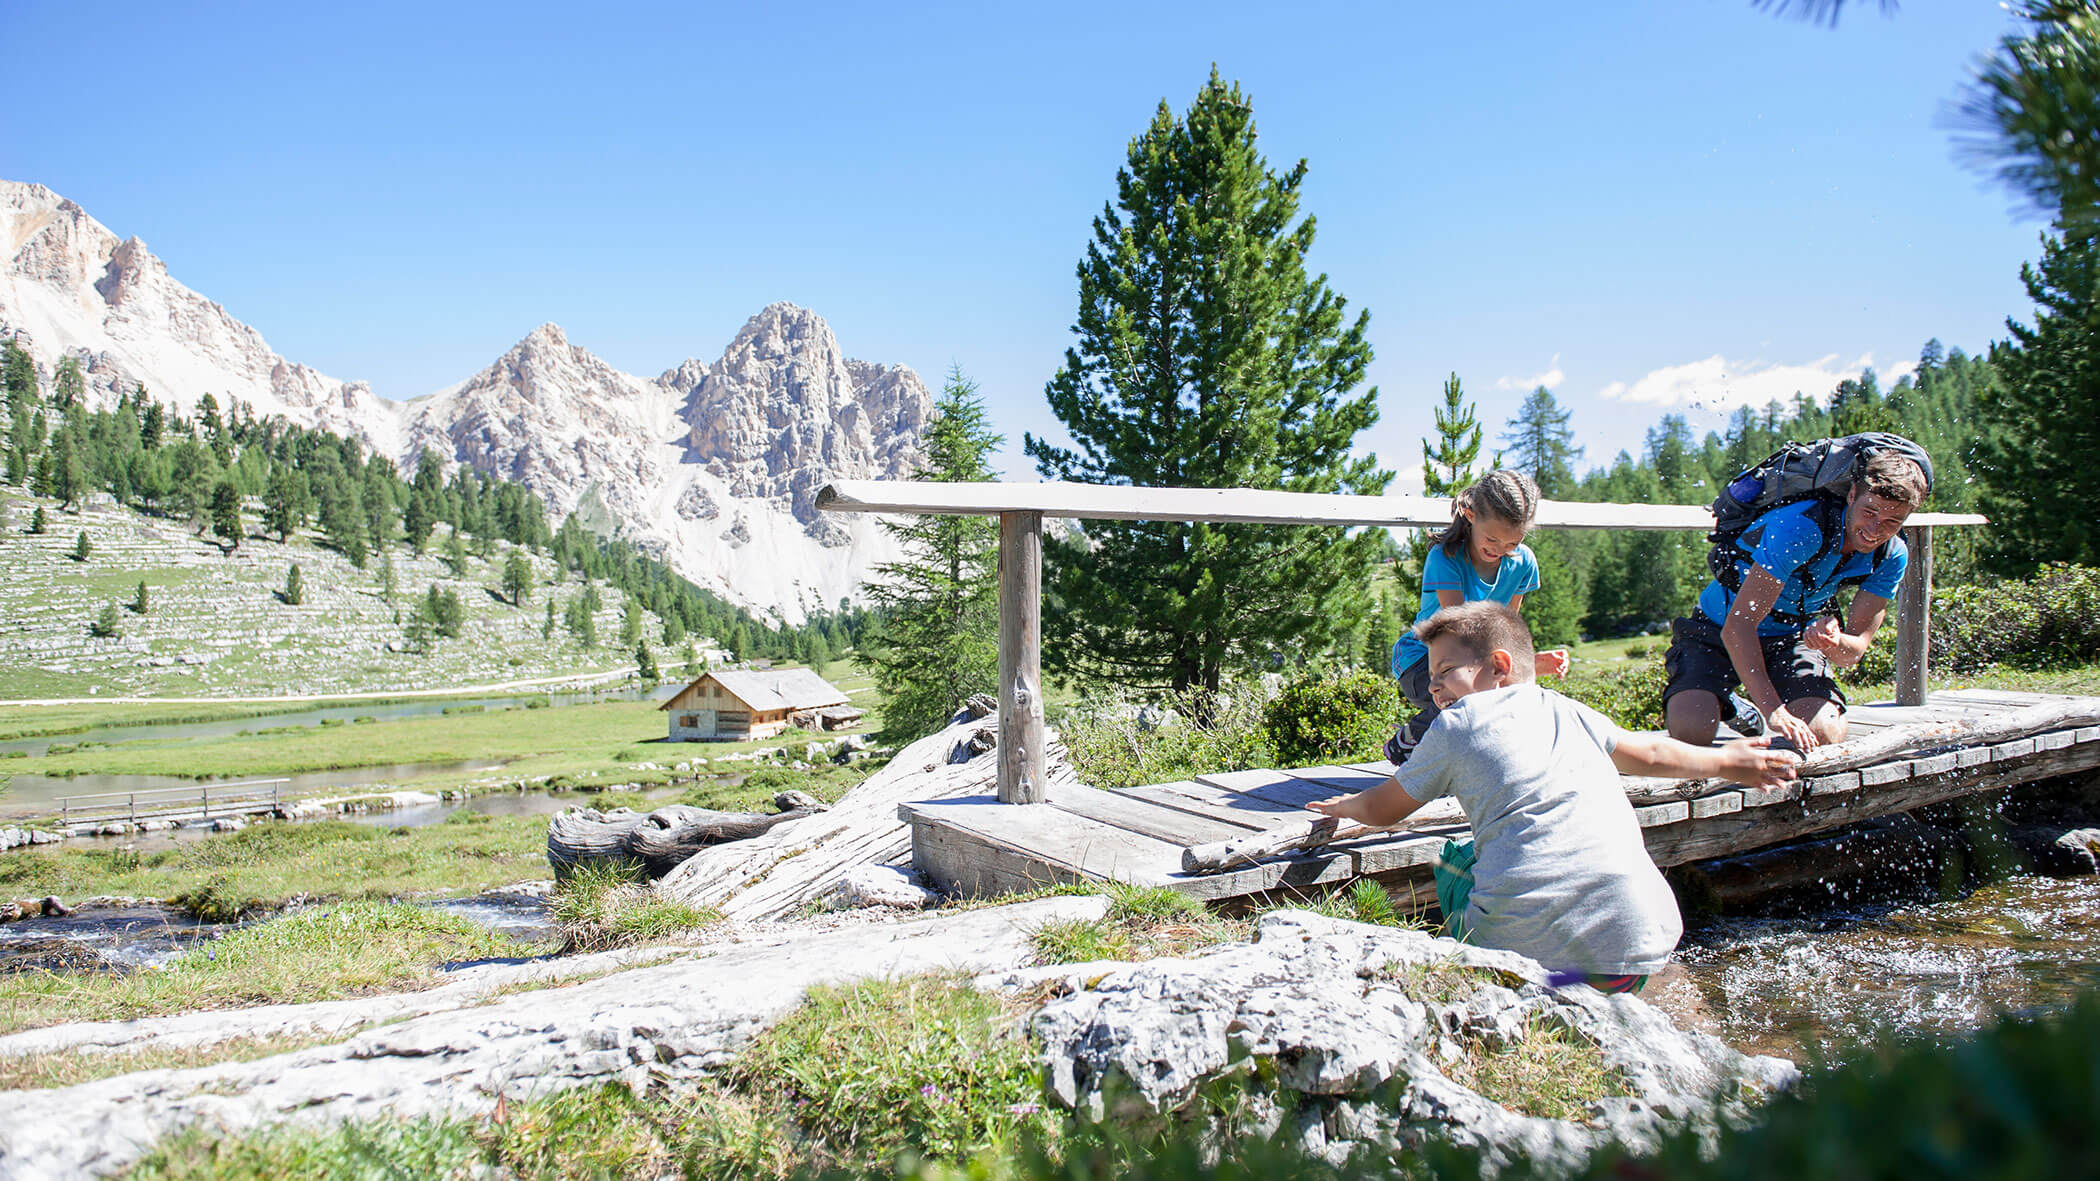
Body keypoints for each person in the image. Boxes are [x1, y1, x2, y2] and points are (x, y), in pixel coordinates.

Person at [1312, 602, 1797, 991]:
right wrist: (1729, 761)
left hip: (1521, 963)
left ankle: (1471, 968)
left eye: (1445, 670)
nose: (1434, 686)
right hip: (1632, 960)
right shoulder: (1567, 708)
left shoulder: (1456, 723)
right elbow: (1649, 753)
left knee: (1454, 859)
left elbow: (1383, 809)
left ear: (1498, 666)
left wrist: (1341, 808)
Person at [1662, 448, 1929, 753]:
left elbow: (1852, 653)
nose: (1874, 530)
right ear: (1852, 494)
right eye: (1870, 512)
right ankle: (1734, 706)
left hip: (1791, 636)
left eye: (1892, 521)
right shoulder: (1801, 528)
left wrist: (1833, 640)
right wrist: (1774, 711)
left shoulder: (1892, 555)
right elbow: (1739, 627)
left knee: (1822, 735)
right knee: (1691, 735)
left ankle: (1749, 693)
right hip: (1718, 628)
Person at [1388, 470, 1570, 765]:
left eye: (1512, 544)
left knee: (1525, 695)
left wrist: (1524, 666)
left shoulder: (1523, 562)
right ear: (1469, 514)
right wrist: (1522, 666)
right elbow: (1458, 636)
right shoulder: (1445, 558)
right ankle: (1413, 738)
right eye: (1492, 539)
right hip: (1425, 660)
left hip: (1475, 659)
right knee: (1473, 688)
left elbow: (1505, 629)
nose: (1499, 550)